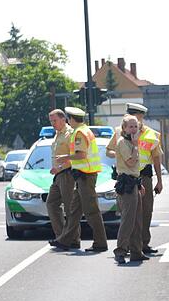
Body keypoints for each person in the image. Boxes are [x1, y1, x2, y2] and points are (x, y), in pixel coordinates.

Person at [107, 103, 163, 255]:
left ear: (141, 117)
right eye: (128, 116)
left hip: (142, 176)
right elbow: (111, 152)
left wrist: (159, 180)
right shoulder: (120, 133)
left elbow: (156, 157)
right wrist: (122, 154)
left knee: (144, 212)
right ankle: (125, 248)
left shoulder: (152, 134)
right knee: (130, 215)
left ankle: (140, 247)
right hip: (127, 177)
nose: (132, 122)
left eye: (134, 117)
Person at [62, 107, 109, 253]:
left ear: (71, 119)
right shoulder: (85, 130)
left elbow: (81, 155)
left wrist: (65, 158)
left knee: (91, 211)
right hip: (84, 175)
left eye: (68, 119)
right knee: (74, 211)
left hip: (85, 176)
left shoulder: (79, 133)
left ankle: (100, 243)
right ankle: (65, 240)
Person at [111, 114, 147, 264]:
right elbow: (131, 163)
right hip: (126, 184)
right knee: (128, 220)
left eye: (135, 127)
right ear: (124, 128)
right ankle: (120, 251)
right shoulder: (123, 143)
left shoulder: (131, 143)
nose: (133, 129)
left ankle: (136, 251)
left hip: (133, 182)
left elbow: (134, 169)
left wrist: (139, 184)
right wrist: (136, 145)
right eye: (130, 126)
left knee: (137, 220)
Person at [45, 109, 78, 251]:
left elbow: (74, 157)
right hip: (58, 175)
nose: (53, 124)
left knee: (70, 208)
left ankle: (73, 239)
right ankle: (62, 237)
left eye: (55, 121)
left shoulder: (70, 134)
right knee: (51, 203)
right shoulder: (58, 134)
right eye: (51, 121)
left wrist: (60, 168)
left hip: (67, 174)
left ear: (63, 119)